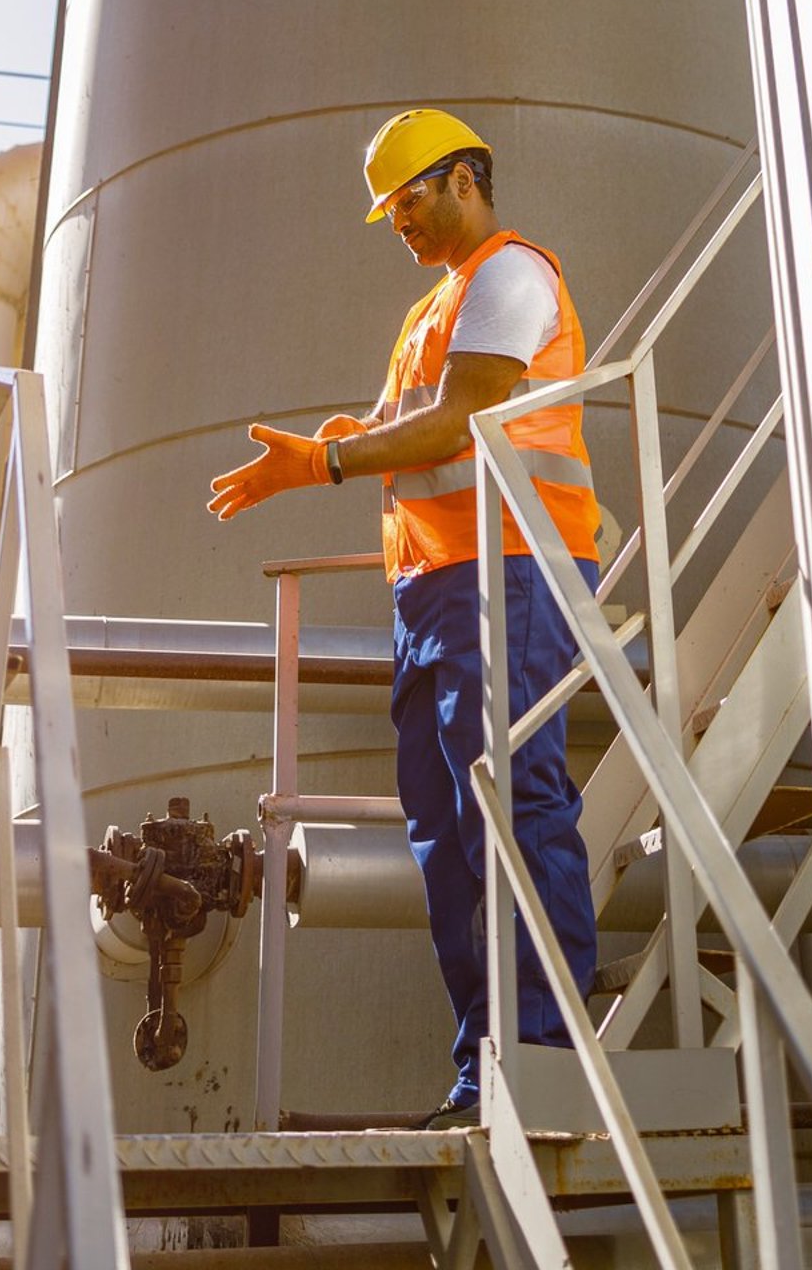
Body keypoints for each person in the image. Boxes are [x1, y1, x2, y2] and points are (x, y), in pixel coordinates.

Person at [208, 109, 601, 1128]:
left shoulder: (511, 277)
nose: (401, 225)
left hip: (509, 568)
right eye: (388, 214)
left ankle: (546, 1052)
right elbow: (411, 432)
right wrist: (342, 439)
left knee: (511, 807)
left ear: (466, 177)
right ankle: (486, 1071)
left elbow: (466, 415)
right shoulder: (434, 309)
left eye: (411, 201)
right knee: (447, 834)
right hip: (435, 587)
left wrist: (327, 462)